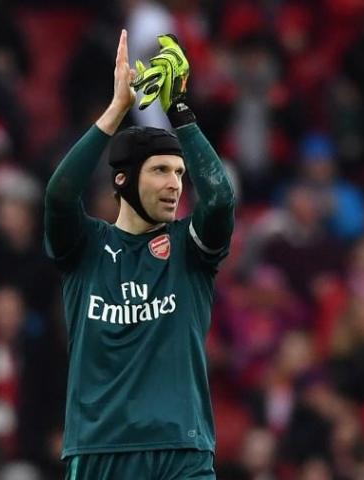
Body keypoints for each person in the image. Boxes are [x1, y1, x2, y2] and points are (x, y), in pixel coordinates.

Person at [43, 30, 235, 479]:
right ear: (124, 180)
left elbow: (221, 200)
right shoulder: (85, 249)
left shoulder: (191, 249)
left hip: (181, 450)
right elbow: (59, 195)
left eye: (180, 173)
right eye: (161, 171)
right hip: (98, 452)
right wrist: (114, 113)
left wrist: (181, 114)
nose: (175, 183)